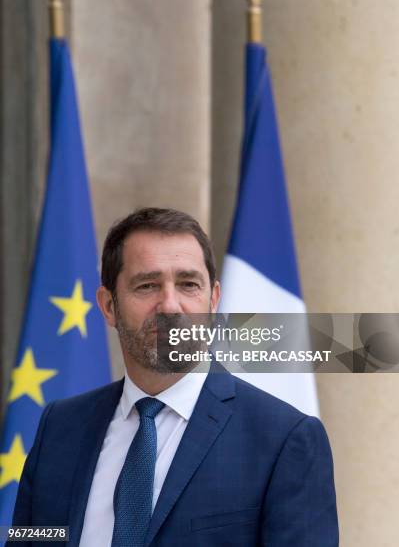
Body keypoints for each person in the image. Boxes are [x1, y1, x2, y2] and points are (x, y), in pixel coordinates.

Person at [11, 207, 339, 546]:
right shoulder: (60, 427)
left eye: (188, 285)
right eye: (148, 285)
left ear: (213, 300)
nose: (170, 305)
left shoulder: (284, 439)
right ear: (109, 306)